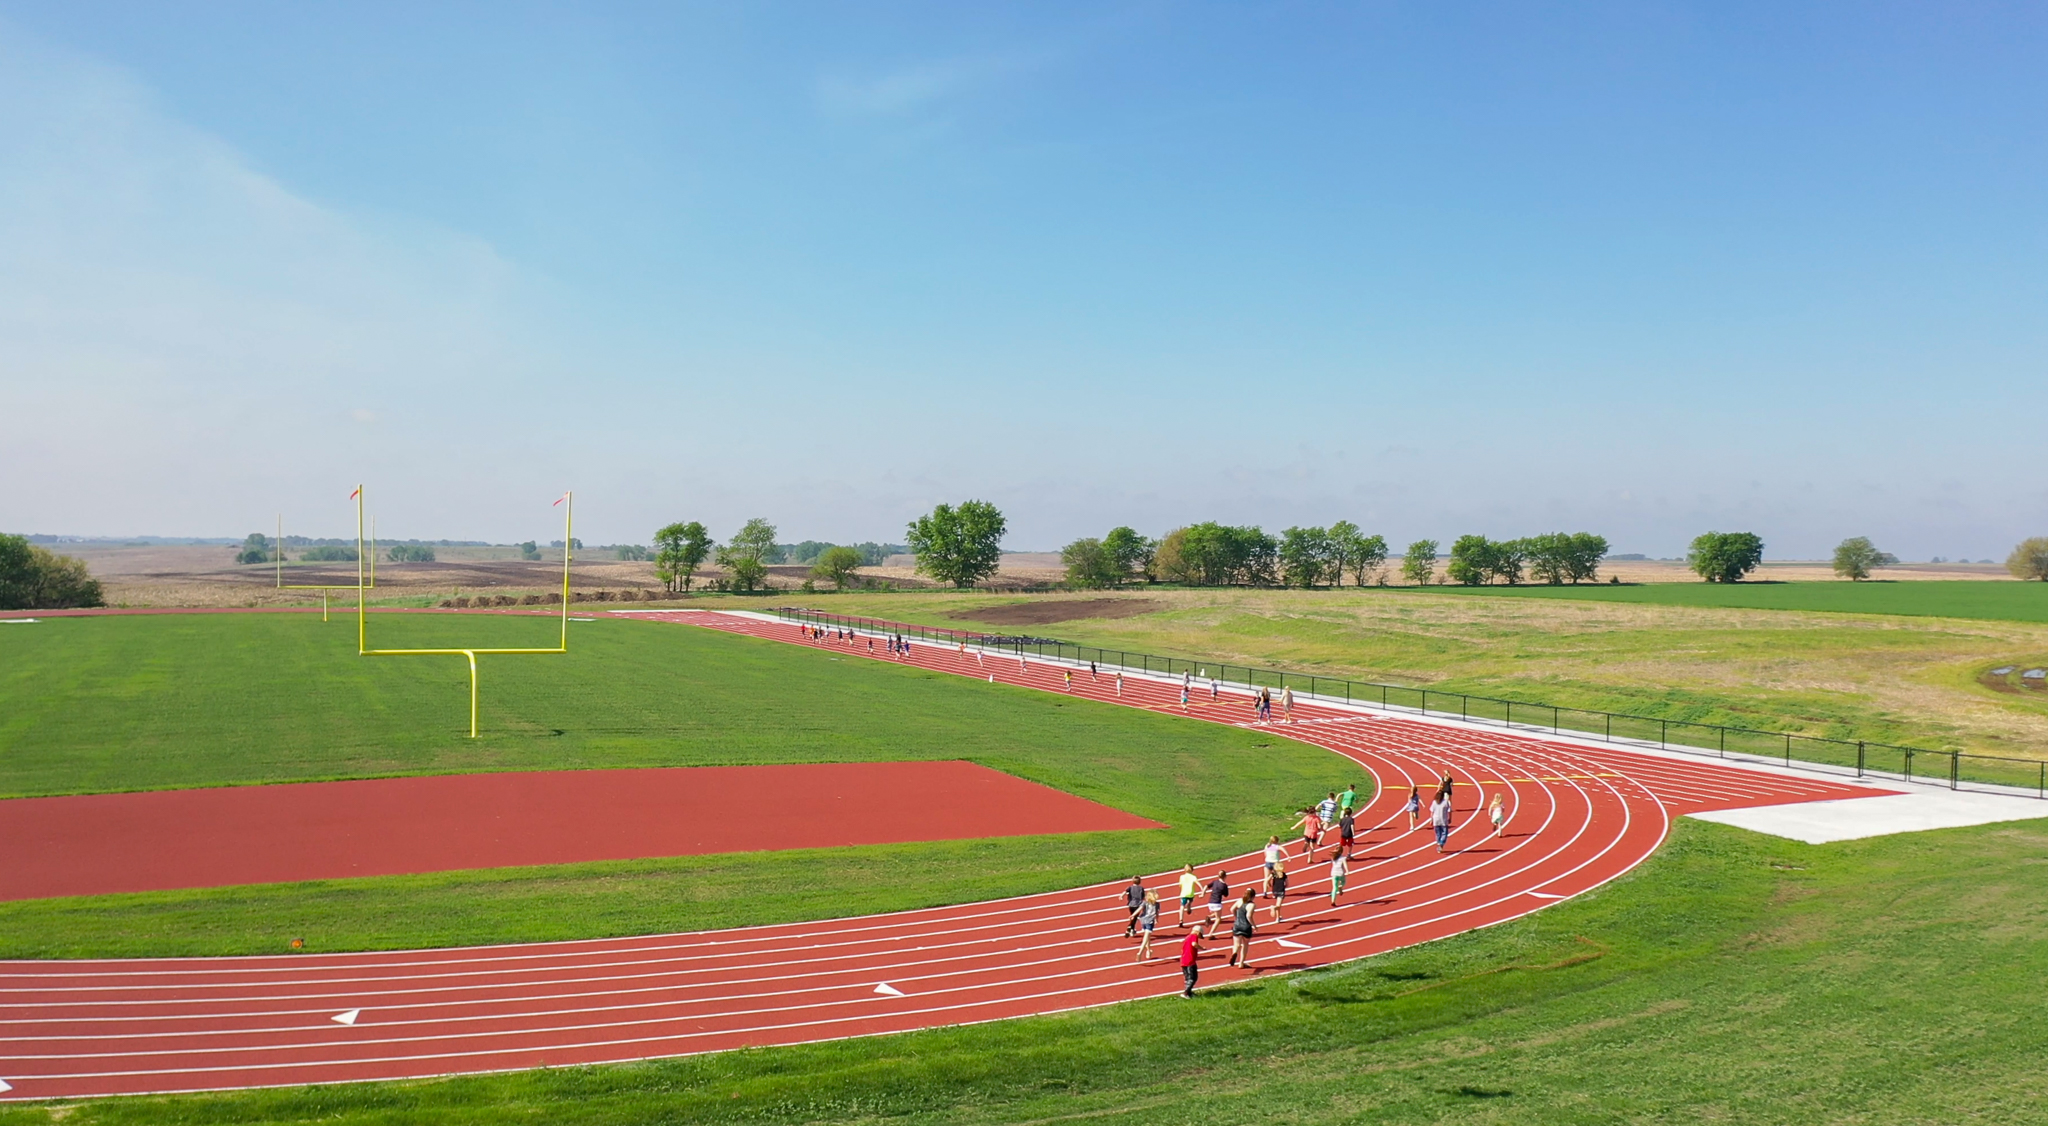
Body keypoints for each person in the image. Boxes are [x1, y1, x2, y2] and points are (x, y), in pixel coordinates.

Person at [1228, 888, 1257, 967]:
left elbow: (1232, 909)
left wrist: (1236, 917)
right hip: (1246, 927)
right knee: (1245, 945)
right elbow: (1249, 916)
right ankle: (1241, 963)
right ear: (1253, 896)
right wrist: (1254, 926)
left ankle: (1235, 953)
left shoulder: (1239, 901)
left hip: (1237, 925)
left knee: (1236, 944)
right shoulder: (1252, 905)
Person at [1135, 891, 1160, 961]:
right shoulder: (1157, 904)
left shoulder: (1145, 903)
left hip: (1143, 921)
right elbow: (1157, 913)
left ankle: (1149, 950)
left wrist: (1133, 915)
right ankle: (1140, 952)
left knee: (1148, 937)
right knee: (1145, 938)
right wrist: (1156, 919)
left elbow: (1139, 909)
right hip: (1150, 922)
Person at [1179, 925, 1204, 998]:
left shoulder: (1187, 937)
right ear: (1198, 932)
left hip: (1184, 960)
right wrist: (1202, 948)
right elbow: (1194, 944)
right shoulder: (1193, 936)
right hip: (1190, 961)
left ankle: (1189, 992)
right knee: (1193, 978)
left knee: (1188, 978)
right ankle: (1186, 993)